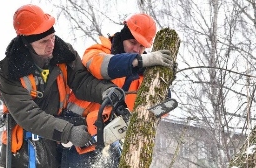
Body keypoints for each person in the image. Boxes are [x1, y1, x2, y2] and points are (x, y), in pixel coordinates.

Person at [0, 4, 122, 168]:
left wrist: (106, 91)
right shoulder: (10, 73)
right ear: (27, 44)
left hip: (56, 139)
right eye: (43, 41)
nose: (51, 44)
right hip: (23, 151)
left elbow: (82, 81)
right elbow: (28, 116)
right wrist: (69, 132)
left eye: (52, 38)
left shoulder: (63, 54)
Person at [61, 13, 174, 168]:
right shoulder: (98, 51)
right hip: (78, 131)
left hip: (108, 138)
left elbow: (159, 108)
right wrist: (141, 61)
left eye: (141, 47)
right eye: (132, 42)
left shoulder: (141, 75)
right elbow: (103, 67)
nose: (136, 49)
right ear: (122, 37)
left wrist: (163, 79)